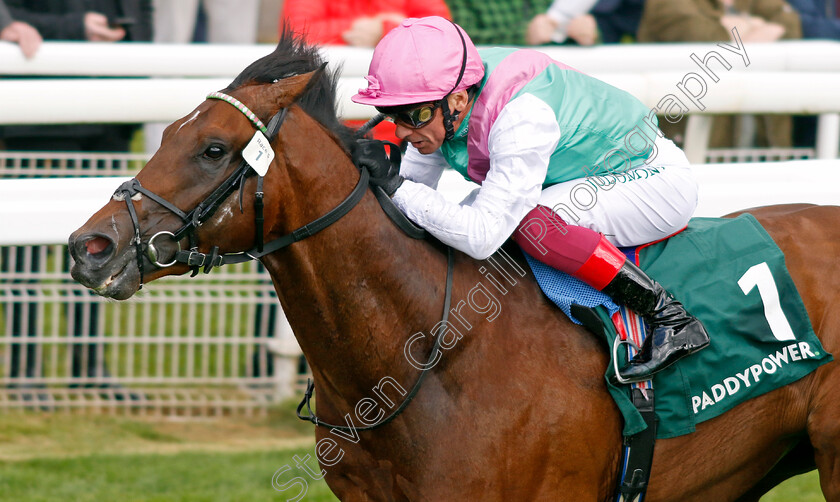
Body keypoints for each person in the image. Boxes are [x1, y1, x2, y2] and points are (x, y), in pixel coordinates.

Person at [350, 16, 710, 383]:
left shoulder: (520, 117)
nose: (401, 131)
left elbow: (480, 236)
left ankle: (668, 316)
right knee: (459, 214)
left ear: (457, 100)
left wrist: (396, 185)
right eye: (391, 115)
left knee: (529, 224)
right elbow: (409, 195)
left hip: (652, 179)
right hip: (587, 174)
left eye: (413, 116)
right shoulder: (443, 98)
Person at [280, 0, 450, 47]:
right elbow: (297, 35)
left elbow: (442, 32)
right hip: (328, 116)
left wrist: (387, 30)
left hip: (400, 122)